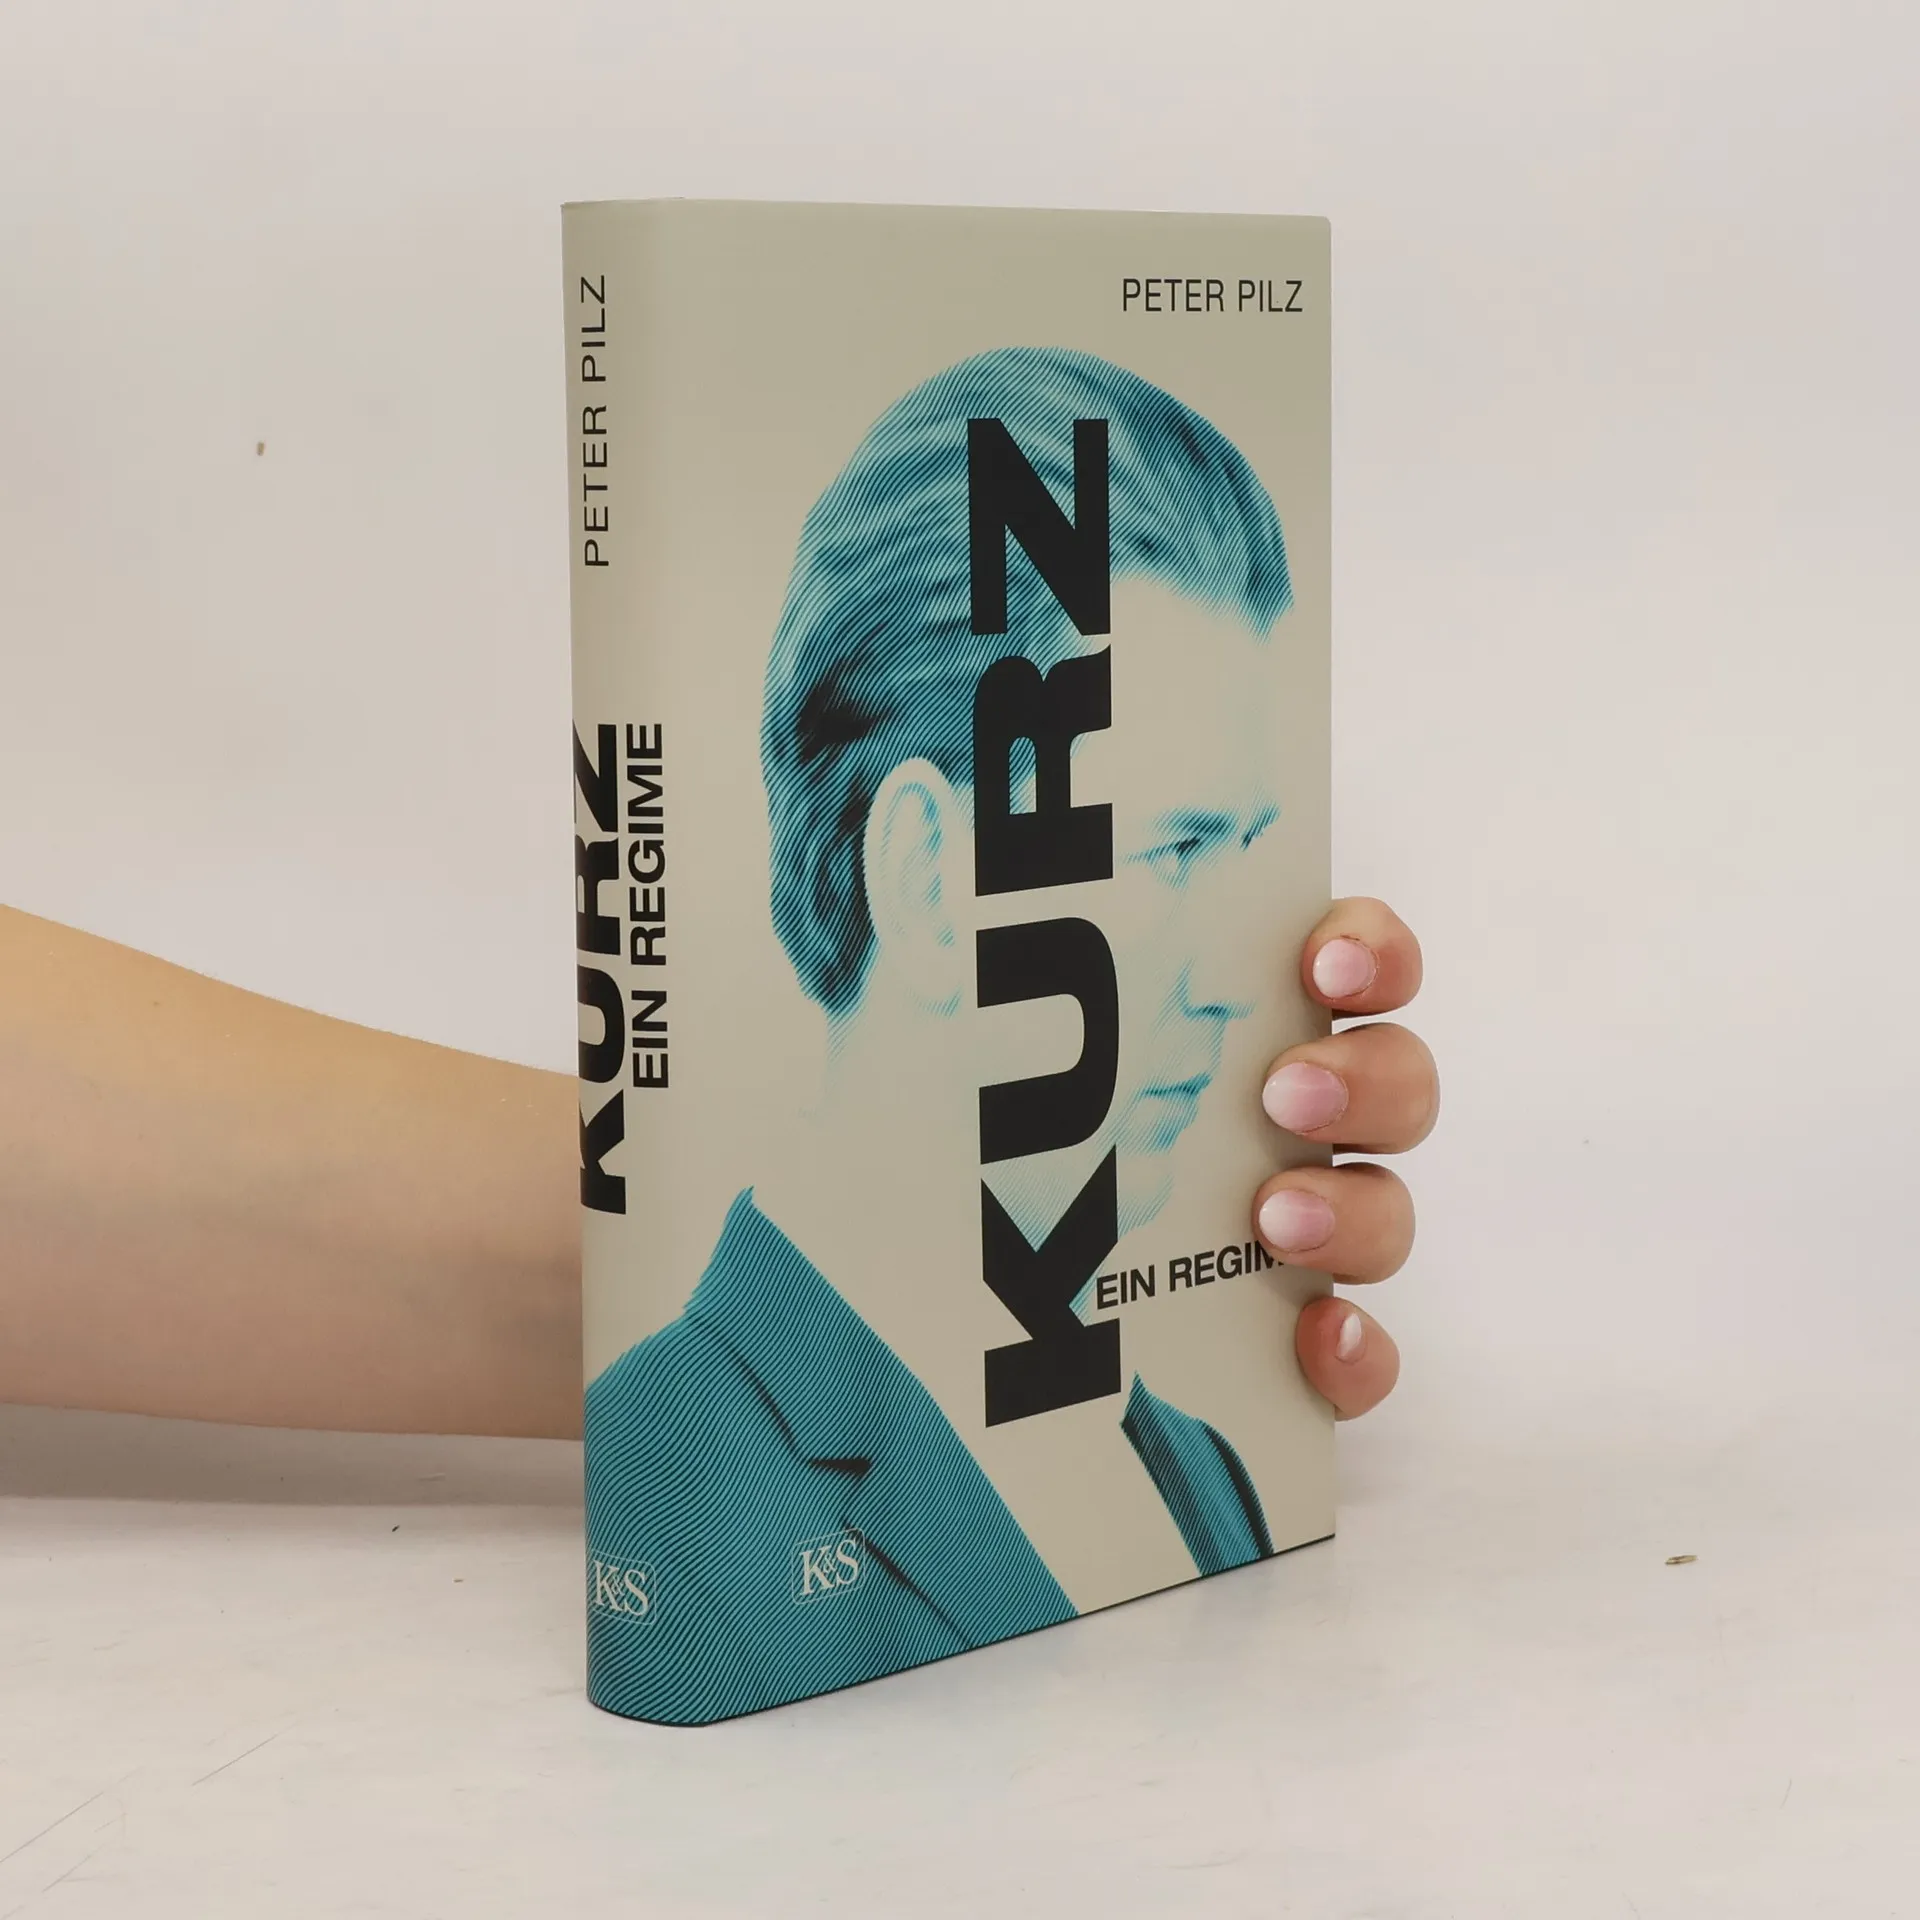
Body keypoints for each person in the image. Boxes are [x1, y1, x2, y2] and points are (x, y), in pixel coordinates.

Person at [578, 349, 1437, 1722]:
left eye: (1249, 853)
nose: (1241, 982)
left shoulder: (1198, 1468)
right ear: (926, 874)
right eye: (1172, 851)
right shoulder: (669, 1480)